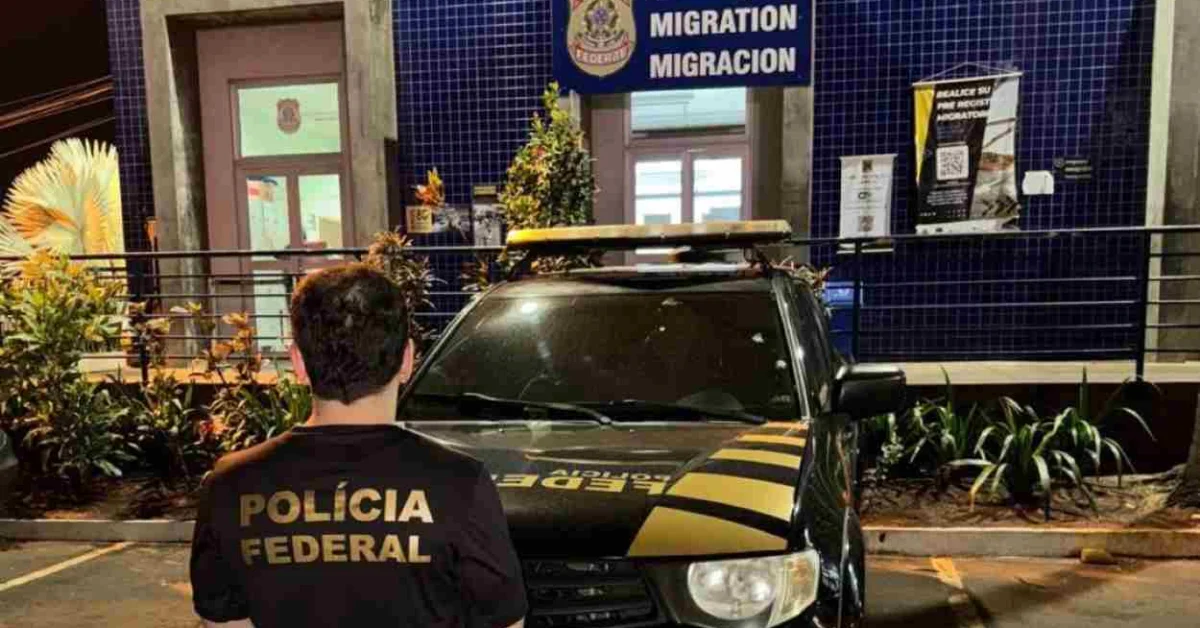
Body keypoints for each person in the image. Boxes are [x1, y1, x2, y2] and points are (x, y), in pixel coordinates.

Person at [190, 264, 527, 628]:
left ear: (298, 362)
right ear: (407, 359)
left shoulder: (230, 484)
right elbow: (505, 622)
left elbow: (224, 620)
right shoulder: (461, 483)